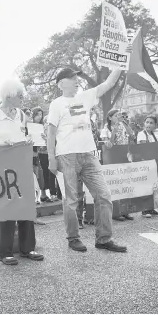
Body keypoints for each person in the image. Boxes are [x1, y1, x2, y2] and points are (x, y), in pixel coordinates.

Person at [47, 67, 128, 253]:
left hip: (89, 155)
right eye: (71, 77)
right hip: (66, 156)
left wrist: (119, 66)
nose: (76, 80)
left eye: (76, 77)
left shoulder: (86, 96)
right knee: (71, 200)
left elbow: (108, 84)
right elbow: (50, 134)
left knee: (104, 195)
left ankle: (103, 238)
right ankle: (73, 238)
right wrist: (52, 158)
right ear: (61, 83)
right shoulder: (56, 104)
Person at [0, 78, 44, 265]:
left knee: (26, 206)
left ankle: (28, 248)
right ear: (9, 96)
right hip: (2, 168)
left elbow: (26, 135)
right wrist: (0, 144)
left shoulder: (22, 115)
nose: (23, 98)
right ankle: (5, 251)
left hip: (22, 165)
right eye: (20, 95)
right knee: (6, 208)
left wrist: (29, 141)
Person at [100, 109, 135, 221]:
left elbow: (132, 136)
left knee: (125, 183)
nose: (118, 117)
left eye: (120, 115)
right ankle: (115, 212)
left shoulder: (123, 125)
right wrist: (114, 131)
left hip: (124, 157)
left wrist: (125, 123)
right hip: (112, 159)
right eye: (116, 116)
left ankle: (125, 210)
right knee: (115, 185)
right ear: (110, 118)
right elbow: (109, 145)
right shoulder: (105, 129)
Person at [137, 115, 158, 218]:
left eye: (151, 123)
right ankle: (145, 210)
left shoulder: (157, 136)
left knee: (154, 187)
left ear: (155, 125)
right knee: (145, 186)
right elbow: (144, 148)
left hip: (155, 164)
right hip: (145, 163)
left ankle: (152, 208)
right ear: (144, 123)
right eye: (147, 122)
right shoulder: (141, 134)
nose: (148, 124)